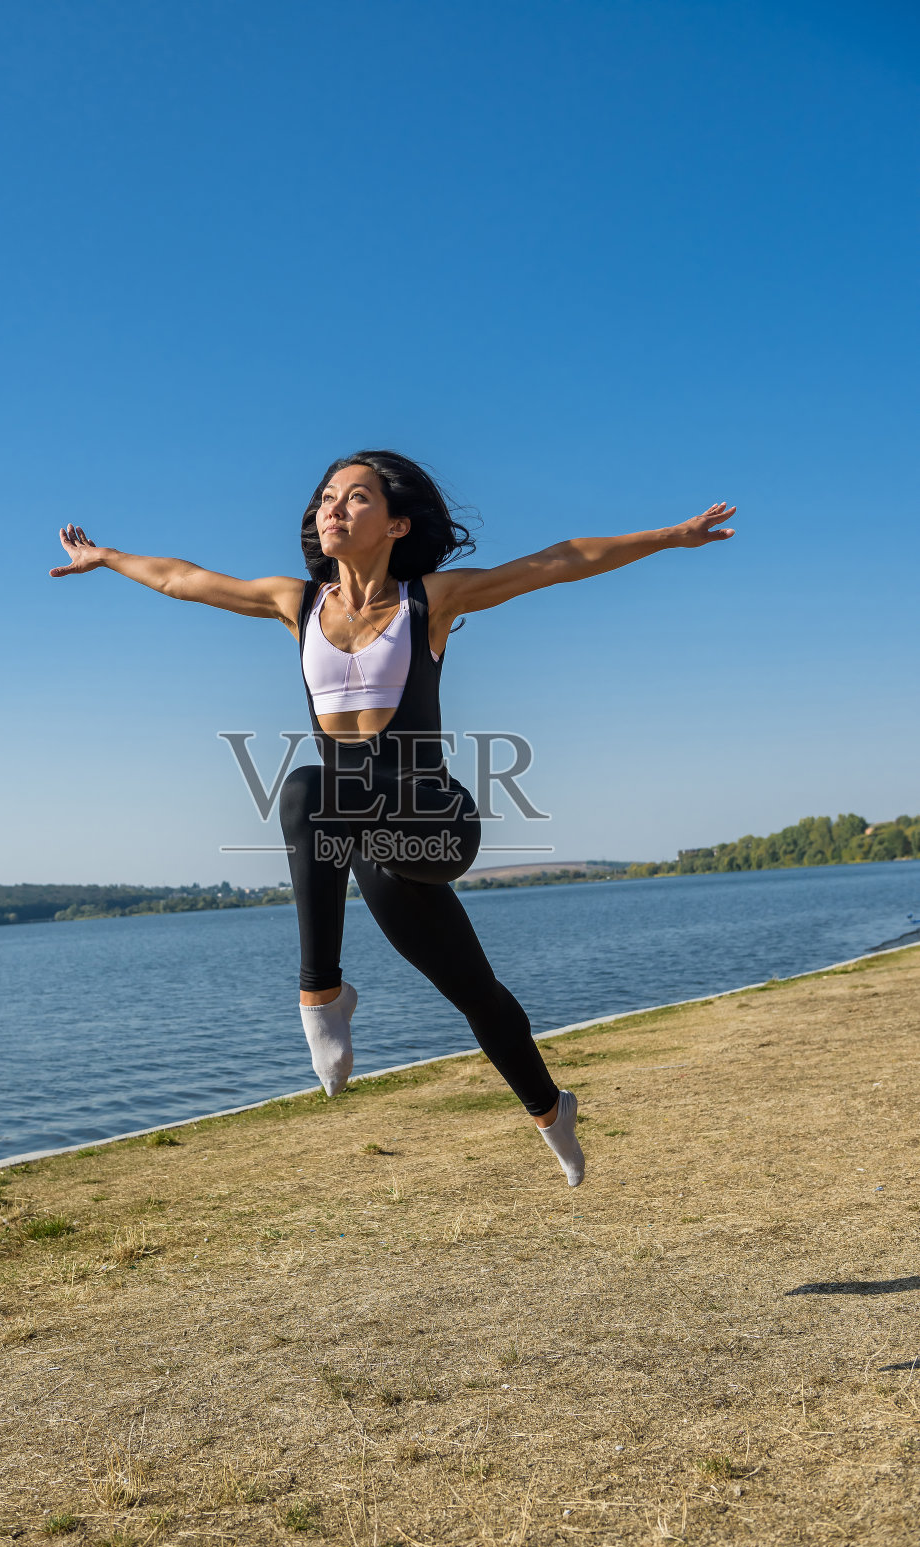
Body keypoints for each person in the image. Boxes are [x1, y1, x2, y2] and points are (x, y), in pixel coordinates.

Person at [50, 451, 735, 1186]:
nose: (332, 509)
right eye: (325, 499)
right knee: (475, 992)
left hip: (436, 820)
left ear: (397, 523)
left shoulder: (428, 602)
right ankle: (551, 1111)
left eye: (356, 499)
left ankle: (321, 994)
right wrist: (107, 557)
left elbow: (555, 562)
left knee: (307, 788)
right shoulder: (297, 603)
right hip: (370, 841)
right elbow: (186, 580)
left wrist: (669, 536)